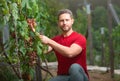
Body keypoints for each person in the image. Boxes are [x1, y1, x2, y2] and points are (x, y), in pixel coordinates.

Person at [27, 9, 89, 81]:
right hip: (63, 77)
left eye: (67, 20)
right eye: (62, 20)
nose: (64, 23)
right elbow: (42, 51)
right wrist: (33, 33)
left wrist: (49, 41)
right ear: (58, 23)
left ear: (72, 21)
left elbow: (70, 53)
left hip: (80, 77)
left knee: (74, 67)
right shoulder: (56, 40)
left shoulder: (80, 38)